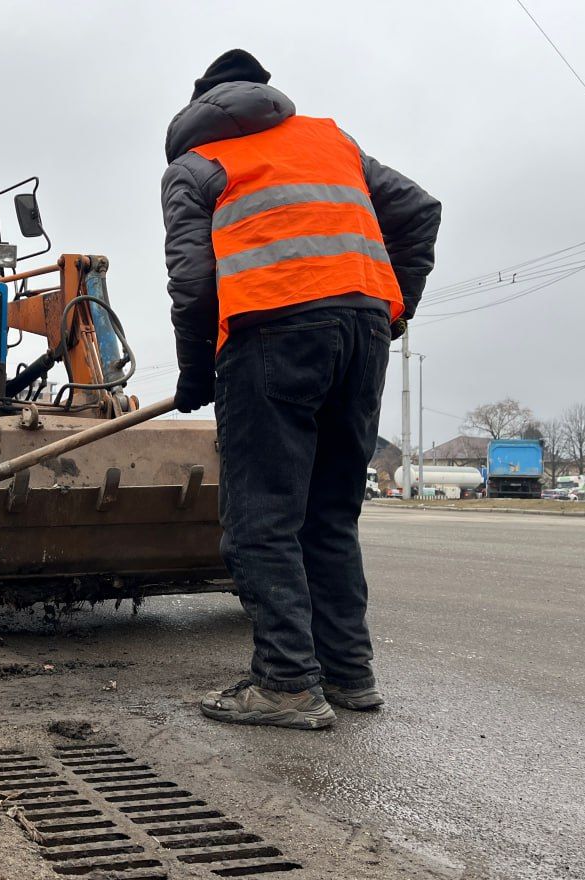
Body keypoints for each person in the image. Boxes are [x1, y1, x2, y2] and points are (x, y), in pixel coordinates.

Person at [161, 50, 441, 729]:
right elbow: (420, 212)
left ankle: (286, 682)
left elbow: (195, 283)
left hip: (271, 332)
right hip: (362, 333)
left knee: (262, 517)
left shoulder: (196, 166)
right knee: (329, 514)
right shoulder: (330, 140)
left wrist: (198, 371)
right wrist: (393, 308)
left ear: (200, 102)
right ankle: (348, 674)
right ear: (264, 93)